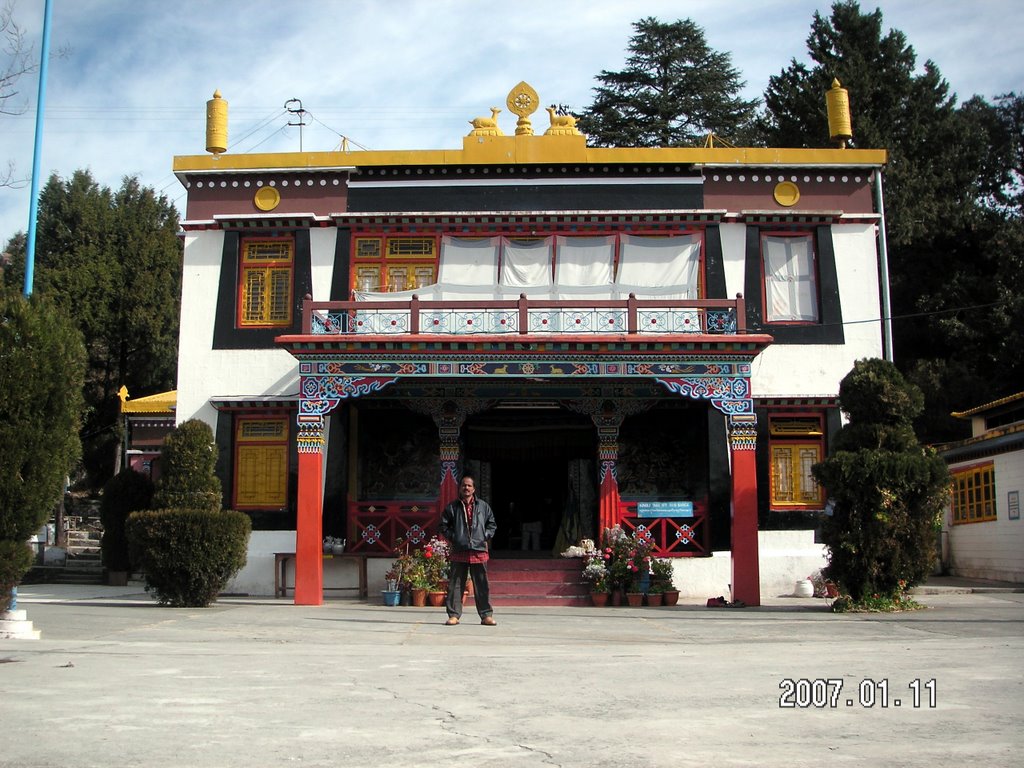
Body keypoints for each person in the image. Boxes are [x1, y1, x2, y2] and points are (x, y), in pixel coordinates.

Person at [439, 473, 497, 626]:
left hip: (478, 550)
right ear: (460, 488)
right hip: (460, 550)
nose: (466, 488)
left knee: (482, 584)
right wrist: (455, 537)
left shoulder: (483, 506)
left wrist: (484, 536)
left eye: (469, 485)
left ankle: (486, 615)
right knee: (456, 584)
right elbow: (443, 525)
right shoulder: (452, 507)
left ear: (474, 489)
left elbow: (492, 524)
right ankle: (454, 615)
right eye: (464, 485)